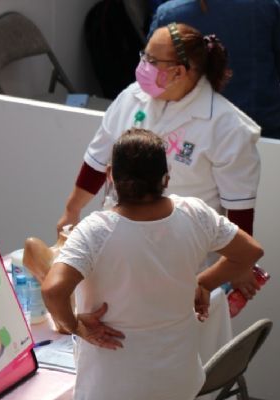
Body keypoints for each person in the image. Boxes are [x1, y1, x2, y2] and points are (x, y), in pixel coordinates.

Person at [43, 129, 264, 400]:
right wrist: (204, 282)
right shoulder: (195, 214)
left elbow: (53, 291)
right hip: (178, 384)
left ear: (110, 175)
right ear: (166, 177)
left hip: (112, 390)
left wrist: (75, 327)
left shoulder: (94, 231)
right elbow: (250, 252)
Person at [58, 22, 261, 298]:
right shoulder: (131, 98)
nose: (143, 64)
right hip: (120, 244)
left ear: (179, 71)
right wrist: (72, 211)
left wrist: (230, 269)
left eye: (152, 60)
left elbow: (239, 211)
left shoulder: (227, 126)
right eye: (144, 55)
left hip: (185, 258)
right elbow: (96, 160)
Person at [148, 0, 280, 141]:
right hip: (264, 125)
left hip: (193, 130)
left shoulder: (169, 14)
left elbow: (153, 79)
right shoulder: (267, 4)